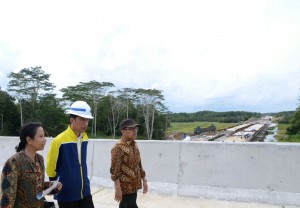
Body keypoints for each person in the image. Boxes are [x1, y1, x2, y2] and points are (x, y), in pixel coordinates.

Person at [0, 122, 62, 208]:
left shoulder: (39, 159)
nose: (45, 139)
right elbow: (6, 198)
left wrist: (51, 186)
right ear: (29, 140)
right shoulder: (14, 162)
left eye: (44, 136)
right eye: (41, 136)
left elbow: (35, 187)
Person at [46, 101, 94, 208]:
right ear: (72, 120)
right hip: (67, 194)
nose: (85, 123)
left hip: (85, 191)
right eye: (82, 119)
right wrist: (54, 185)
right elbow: (50, 166)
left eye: (87, 120)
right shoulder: (59, 141)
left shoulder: (84, 138)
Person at [110, 118, 148, 208]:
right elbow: (114, 171)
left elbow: (139, 164)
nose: (134, 131)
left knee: (124, 206)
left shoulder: (134, 144)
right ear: (123, 131)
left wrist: (144, 180)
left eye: (135, 129)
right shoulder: (118, 147)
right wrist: (117, 188)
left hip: (134, 185)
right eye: (130, 129)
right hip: (125, 188)